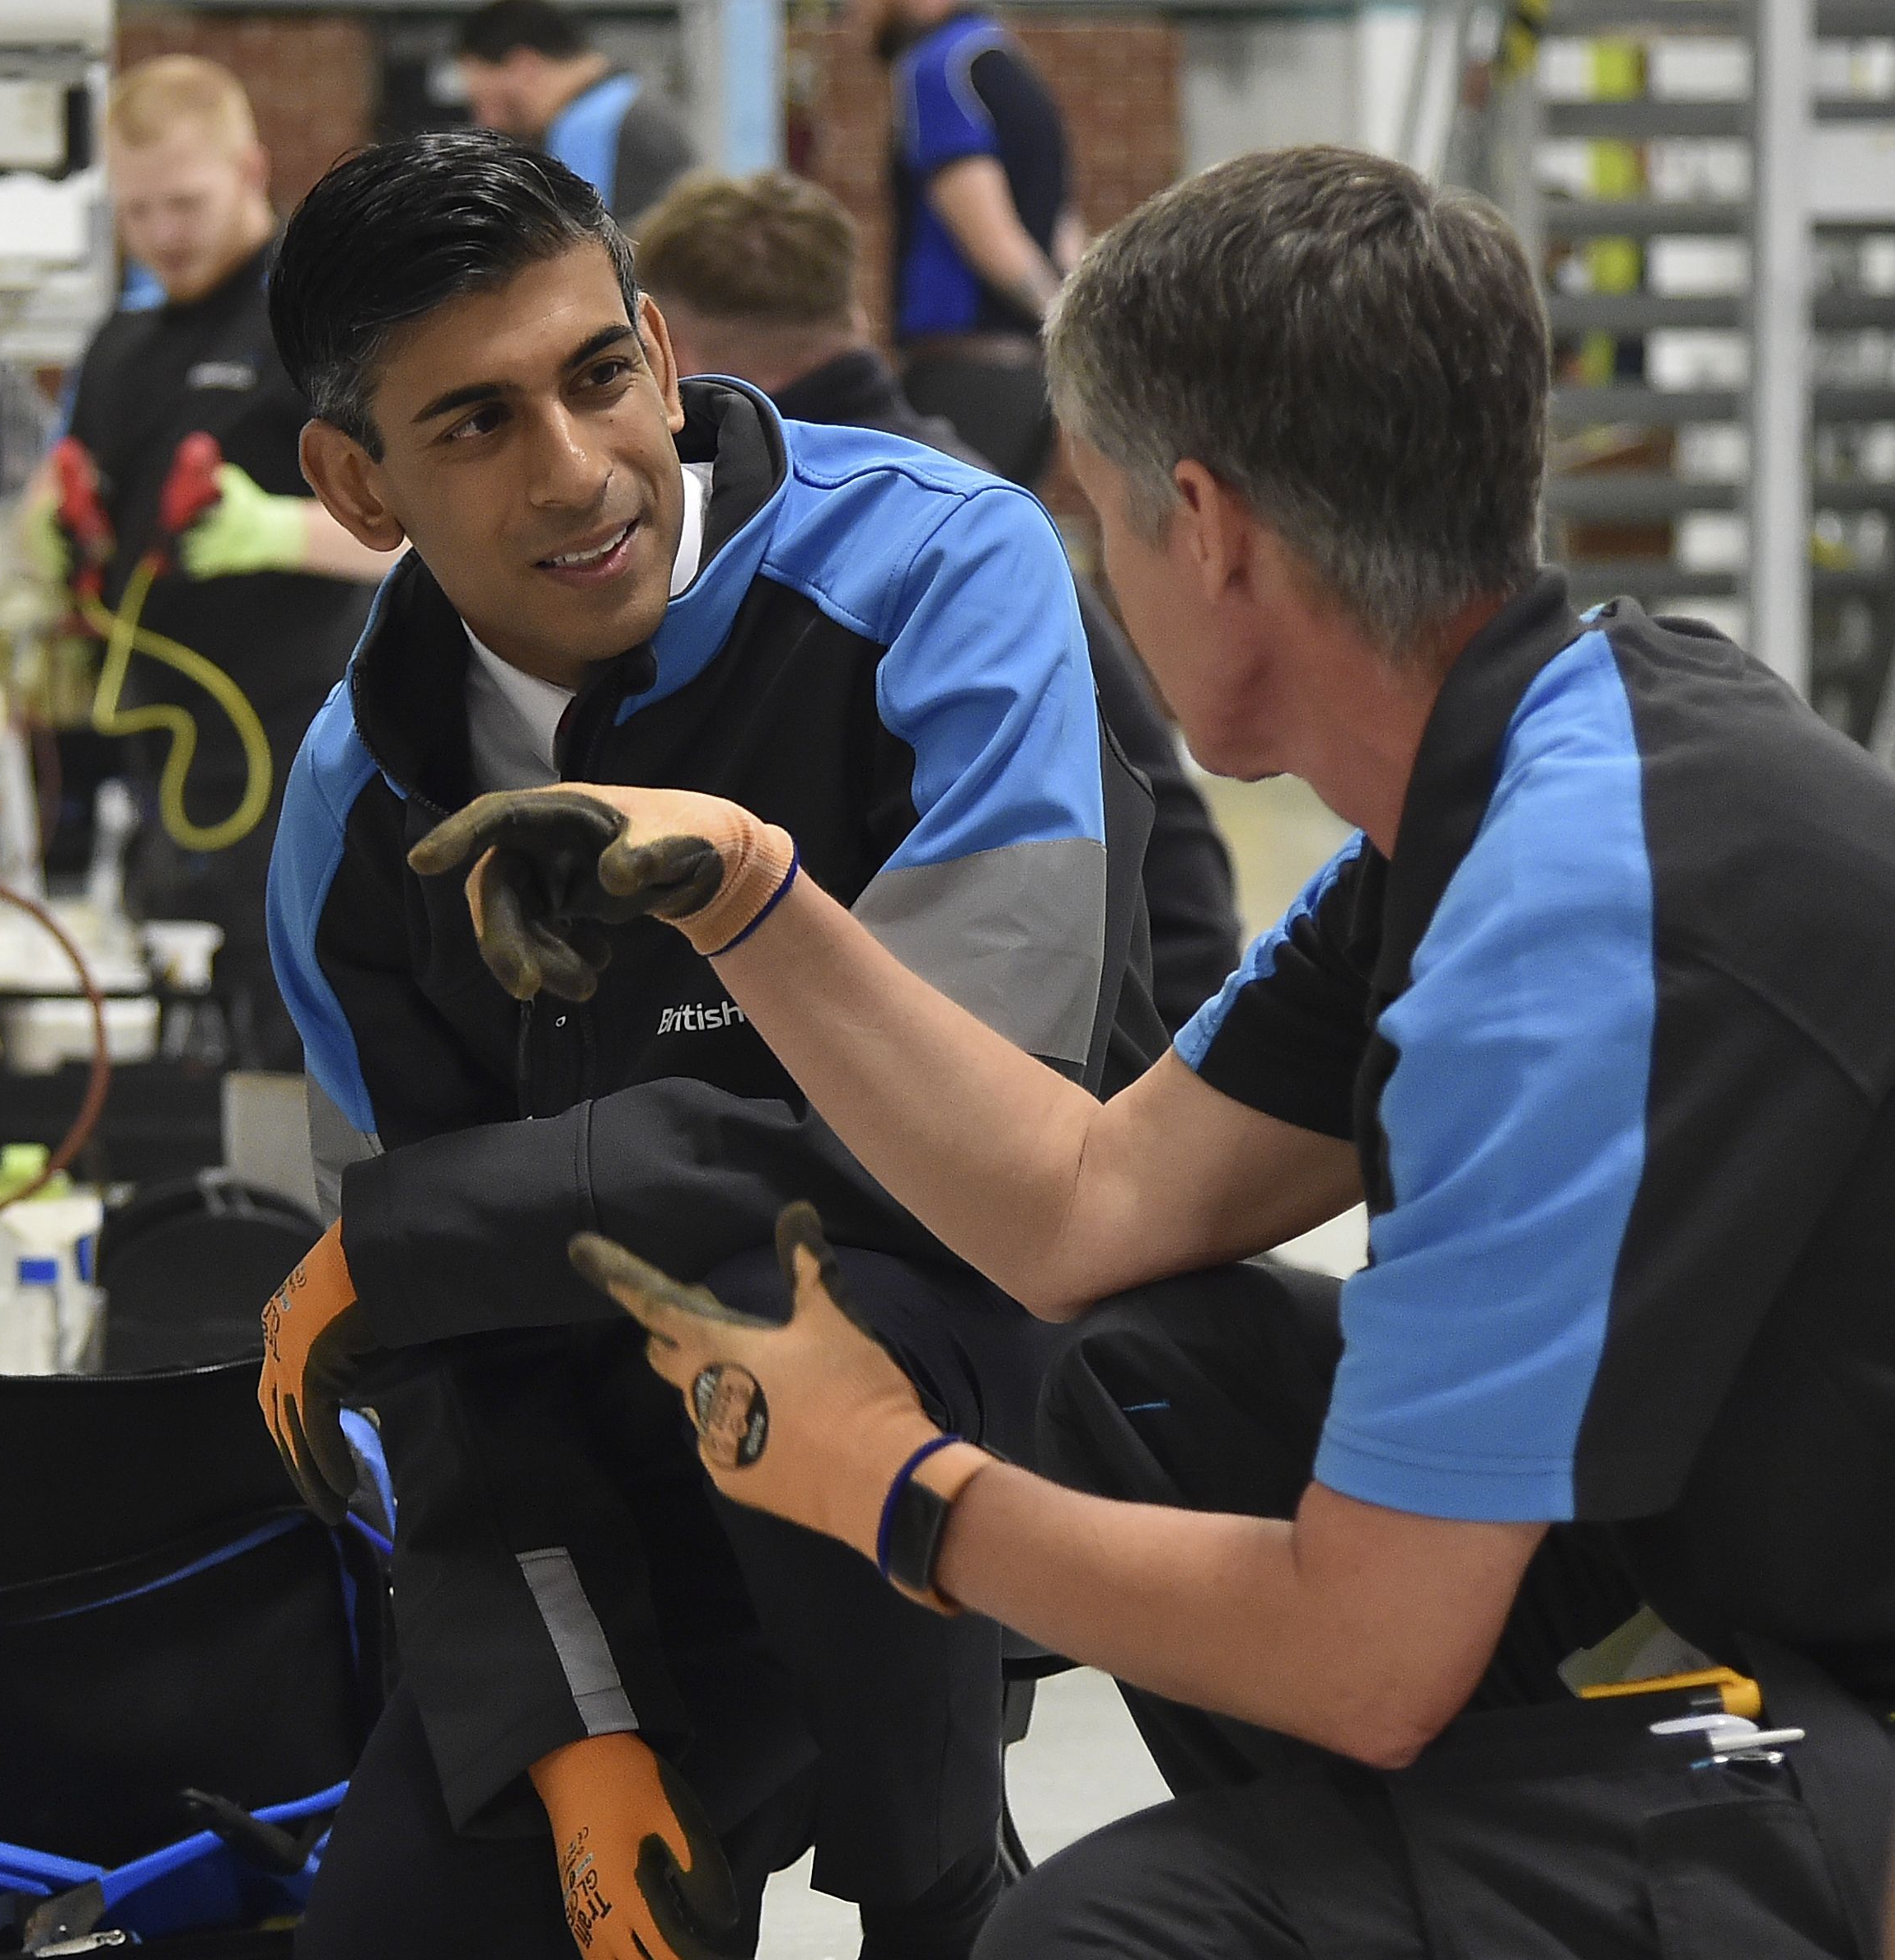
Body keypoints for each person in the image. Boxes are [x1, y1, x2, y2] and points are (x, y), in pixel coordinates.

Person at [418, 144, 1895, 1959]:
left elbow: (1364, 1654)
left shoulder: (1564, 930)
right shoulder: (1534, 765)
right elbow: (1086, 1202)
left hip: (1861, 1727)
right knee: (1133, 1369)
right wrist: (746, 894)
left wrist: (892, 1489)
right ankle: (1458, 1859)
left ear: (1206, 527)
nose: (1098, 571)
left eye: (1098, 515)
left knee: (1114, 1932)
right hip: (1770, 1574)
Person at [254, 130, 1169, 1959]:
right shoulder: (351, 821)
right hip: (614, 1495)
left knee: (794, 1296)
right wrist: (574, 1730)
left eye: (601, 378)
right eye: (476, 424)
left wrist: (436, 1224)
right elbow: (455, 1376)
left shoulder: (944, 573)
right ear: (357, 484)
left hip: (973, 1396)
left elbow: (975, 1141)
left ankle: (936, 1882)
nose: (580, 471)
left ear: (665, 356)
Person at [631, 170, 1243, 1029]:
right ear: (853, 319)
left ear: (672, 361)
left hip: (1097, 1047)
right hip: (1165, 993)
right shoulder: (952, 493)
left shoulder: (874, 537)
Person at [33, 57, 397, 1071]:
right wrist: (61, 535)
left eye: (185, 203)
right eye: (138, 209)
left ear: (250, 167)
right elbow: (89, 501)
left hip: (309, 747)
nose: (163, 233)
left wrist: (283, 531)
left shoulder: (322, 325)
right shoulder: (121, 341)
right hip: (170, 760)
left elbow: (429, 536)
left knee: (309, 1033)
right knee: (198, 1048)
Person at [861, 0, 1073, 486]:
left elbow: (994, 242)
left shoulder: (936, 67)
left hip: (966, 378)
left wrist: (1071, 337)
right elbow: (1061, 232)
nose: (855, 11)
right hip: (1026, 379)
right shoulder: (1009, 63)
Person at [453, 0, 697, 226]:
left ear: (525, 66)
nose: (486, 122)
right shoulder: (632, 107)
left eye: (484, 101)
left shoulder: (593, 127)